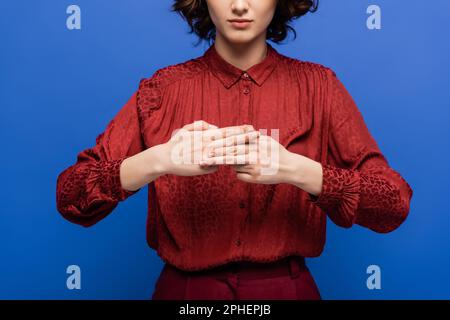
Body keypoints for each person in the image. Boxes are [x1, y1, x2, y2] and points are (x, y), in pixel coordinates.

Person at [56, 0, 413, 300]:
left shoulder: (320, 87)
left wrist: (297, 170)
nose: (240, 5)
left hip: (286, 291)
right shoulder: (162, 90)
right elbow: (71, 195)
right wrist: (158, 160)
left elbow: (393, 205)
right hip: (185, 295)